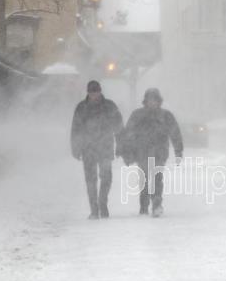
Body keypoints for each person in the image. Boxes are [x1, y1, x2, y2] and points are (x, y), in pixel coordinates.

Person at [119, 88, 183, 218]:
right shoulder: (137, 115)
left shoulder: (166, 116)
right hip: (141, 151)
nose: (152, 102)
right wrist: (126, 152)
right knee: (144, 179)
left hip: (159, 152)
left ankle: (156, 203)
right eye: (150, 100)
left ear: (159, 101)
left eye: (154, 100)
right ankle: (143, 205)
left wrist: (178, 151)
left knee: (157, 178)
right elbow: (128, 135)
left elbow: (175, 134)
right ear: (146, 101)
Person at [71, 80, 124, 219]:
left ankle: (102, 202)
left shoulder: (109, 106)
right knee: (90, 180)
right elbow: (75, 129)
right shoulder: (81, 108)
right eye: (92, 92)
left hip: (105, 147)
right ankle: (94, 209)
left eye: (96, 92)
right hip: (88, 149)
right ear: (88, 92)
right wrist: (75, 147)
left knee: (106, 177)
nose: (94, 95)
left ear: (100, 91)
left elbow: (118, 127)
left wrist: (120, 145)